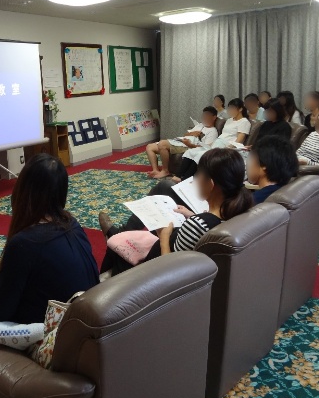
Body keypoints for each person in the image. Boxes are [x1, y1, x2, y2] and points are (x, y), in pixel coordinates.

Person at [0, 154, 99, 326]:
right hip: (84, 315)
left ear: (23, 190)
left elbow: (1, 311)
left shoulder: (24, 243)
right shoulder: (72, 224)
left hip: (52, 328)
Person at [100, 149, 253, 276]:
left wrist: (164, 237)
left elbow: (170, 271)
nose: (194, 180)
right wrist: (192, 215)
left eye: (198, 175)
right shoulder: (239, 212)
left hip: (152, 271)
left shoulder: (196, 226)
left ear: (211, 184)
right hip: (185, 251)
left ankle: (106, 281)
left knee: (116, 246)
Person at [174, 98, 251, 182]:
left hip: (227, 146)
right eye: (229, 108)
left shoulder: (244, 122)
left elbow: (239, 140)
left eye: (232, 108)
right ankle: (178, 175)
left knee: (201, 155)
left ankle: (185, 179)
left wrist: (227, 148)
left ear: (240, 109)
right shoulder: (229, 120)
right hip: (217, 143)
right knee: (191, 151)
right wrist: (210, 144)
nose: (229, 111)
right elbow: (223, 135)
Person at [145, 106, 218, 179]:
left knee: (162, 144)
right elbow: (185, 135)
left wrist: (190, 144)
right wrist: (192, 133)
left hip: (187, 146)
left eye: (207, 116)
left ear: (214, 117)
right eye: (203, 115)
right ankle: (155, 170)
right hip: (180, 141)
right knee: (150, 147)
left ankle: (165, 171)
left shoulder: (213, 131)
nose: (204, 118)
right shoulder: (200, 125)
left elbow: (206, 148)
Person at [247, 136, 299, 204]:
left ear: (264, 165)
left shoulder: (252, 202)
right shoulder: (287, 192)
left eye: (251, 159)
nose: (248, 165)